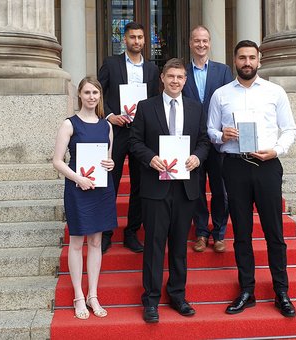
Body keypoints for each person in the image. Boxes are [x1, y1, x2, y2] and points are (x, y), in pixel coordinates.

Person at [207, 40, 296, 318]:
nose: (247, 62)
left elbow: (289, 129)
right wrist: (222, 136)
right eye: (242, 58)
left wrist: (276, 151)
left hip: (266, 165)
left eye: (251, 58)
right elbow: (210, 130)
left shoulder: (275, 91)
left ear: (259, 60)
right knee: (242, 234)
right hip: (234, 166)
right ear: (234, 61)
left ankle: (281, 291)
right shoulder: (221, 95)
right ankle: (247, 290)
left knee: (274, 232)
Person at [129, 58, 210, 323]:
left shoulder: (196, 108)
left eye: (180, 77)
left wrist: (197, 157)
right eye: (171, 76)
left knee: (178, 245)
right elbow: (135, 142)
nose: (175, 81)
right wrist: (150, 157)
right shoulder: (146, 107)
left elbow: (204, 141)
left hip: (185, 186)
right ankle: (150, 300)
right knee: (154, 245)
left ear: (185, 80)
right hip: (156, 186)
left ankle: (177, 294)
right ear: (162, 78)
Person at [53, 76, 117, 319]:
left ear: (101, 97)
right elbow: (57, 161)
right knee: (77, 242)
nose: (92, 97)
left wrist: (111, 164)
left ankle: (93, 295)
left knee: (96, 242)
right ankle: (79, 296)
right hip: (78, 189)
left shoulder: (107, 126)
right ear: (79, 95)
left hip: (101, 189)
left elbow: (108, 158)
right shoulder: (69, 124)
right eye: (87, 92)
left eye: (96, 93)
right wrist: (77, 178)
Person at [98, 21, 160, 253]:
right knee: (110, 182)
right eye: (132, 37)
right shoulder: (110, 64)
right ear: (124, 39)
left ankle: (131, 232)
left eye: (140, 37)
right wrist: (110, 116)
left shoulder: (153, 70)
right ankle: (105, 232)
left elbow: (155, 101)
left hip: (141, 133)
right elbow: (98, 93)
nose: (136, 41)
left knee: (139, 184)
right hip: (117, 131)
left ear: (145, 40)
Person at [182, 25, 233, 253]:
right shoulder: (181, 72)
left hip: (220, 141)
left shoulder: (223, 71)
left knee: (221, 188)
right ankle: (201, 233)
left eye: (204, 41)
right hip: (192, 141)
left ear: (209, 43)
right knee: (197, 188)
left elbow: (230, 104)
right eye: (196, 41)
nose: (201, 45)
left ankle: (219, 233)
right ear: (190, 44)